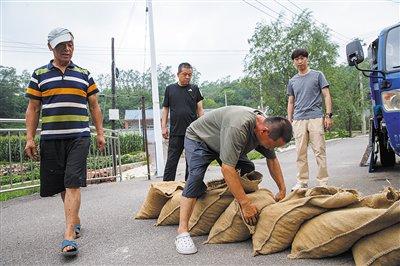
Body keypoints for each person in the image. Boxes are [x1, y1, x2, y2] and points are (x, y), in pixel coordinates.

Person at [24, 28, 105, 257]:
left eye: (70, 44)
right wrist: (30, 138)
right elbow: (33, 108)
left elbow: (95, 106)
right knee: (62, 184)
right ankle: (75, 219)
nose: (67, 49)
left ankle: (69, 235)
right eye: (61, 45)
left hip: (79, 136)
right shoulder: (39, 74)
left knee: (72, 183)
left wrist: (99, 133)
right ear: (51, 47)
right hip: (51, 138)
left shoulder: (84, 74)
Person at [174, 106, 292, 255]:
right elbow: (227, 168)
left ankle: (230, 198)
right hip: (200, 138)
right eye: (272, 145)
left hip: (223, 140)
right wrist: (245, 204)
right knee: (196, 178)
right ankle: (182, 231)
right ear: (263, 131)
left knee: (247, 168)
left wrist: (282, 189)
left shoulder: (268, 127)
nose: (271, 148)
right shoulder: (239, 126)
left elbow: (272, 160)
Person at [287, 48, 333, 190]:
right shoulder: (292, 81)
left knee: (319, 150)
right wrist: (290, 120)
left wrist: (328, 115)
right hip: (299, 120)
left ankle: (322, 182)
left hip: (316, 117)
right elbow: (291, 101)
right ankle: (302, 181)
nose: (300, 61)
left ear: (307, 59)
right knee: (300, 152)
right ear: (293, 62)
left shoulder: (317, 75)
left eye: (302, 58)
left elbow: (326, 95)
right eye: (296, 59)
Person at [161, 62, 204, 181]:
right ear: (178, 74)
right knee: (171, 162)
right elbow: (165, 109)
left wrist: (202, 128)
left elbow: (200, 109)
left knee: (191, 162)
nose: (187, 77)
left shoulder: (194, 89)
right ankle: (166, 188)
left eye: (190, 75)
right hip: (175, 132)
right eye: (185, 74)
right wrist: (163, 127)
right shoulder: (170, 89)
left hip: (192, 132)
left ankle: (188, 188)